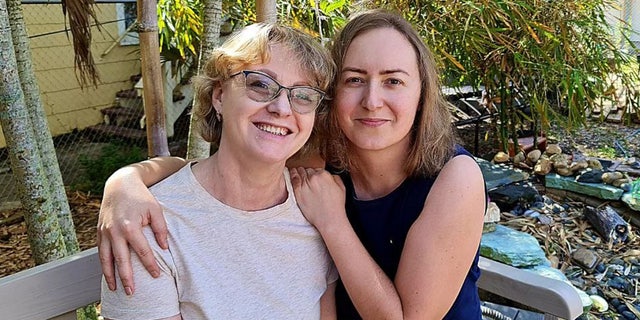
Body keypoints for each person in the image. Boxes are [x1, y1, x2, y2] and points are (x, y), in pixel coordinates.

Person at [98, 9, 486, 319]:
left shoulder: (454, 178)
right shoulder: (321, 161)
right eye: (354, 80)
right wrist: (125, 182)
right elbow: (230, 164)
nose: (372, 100)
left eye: (394, 81)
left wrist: (333, 221)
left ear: (423, 95)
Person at [98, 22, 338, 320]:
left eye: (303, 95)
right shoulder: (150, 224)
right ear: (219, 96)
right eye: (260, 84)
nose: (282, 108)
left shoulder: (315, 206)